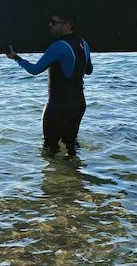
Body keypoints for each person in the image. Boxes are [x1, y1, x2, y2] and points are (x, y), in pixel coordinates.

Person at [6, 11, 93, 157]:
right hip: (79, 104)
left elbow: (35, 70)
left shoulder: (58, 47)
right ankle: (74, 175)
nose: (50, 25)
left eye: (54, 22)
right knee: (71, 146)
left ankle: (56, 178)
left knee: (49, 149)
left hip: (58, 106)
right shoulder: (84, 43)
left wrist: (16, 57)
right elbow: (89, 70)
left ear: (67, 25)